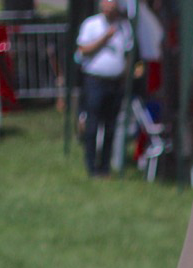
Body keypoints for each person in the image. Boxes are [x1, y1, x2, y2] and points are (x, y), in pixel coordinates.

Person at [75, 0, 133, 177]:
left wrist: (125, 77)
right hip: (95, 81)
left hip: (115, 83)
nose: (109, 8)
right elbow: (83, 49)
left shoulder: (124, 27)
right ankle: (91, 166)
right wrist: (105, 38)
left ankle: (105, 166)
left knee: (111, 126)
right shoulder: (91, 24)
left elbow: (128, 54)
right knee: (93, 124)